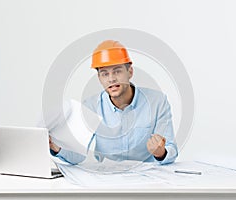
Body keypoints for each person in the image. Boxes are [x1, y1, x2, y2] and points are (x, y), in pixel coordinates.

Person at [49, 40, 178, 165]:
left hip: (148, 178)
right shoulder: (90, 107)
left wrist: (161, 153)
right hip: (108, 179)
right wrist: (56, 148)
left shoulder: (157, 102)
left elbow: (171, 148)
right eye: (105, 74)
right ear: (99, 78)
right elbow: (77, 155)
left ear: (130, 72)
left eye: (117, 71)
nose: (111, 79)